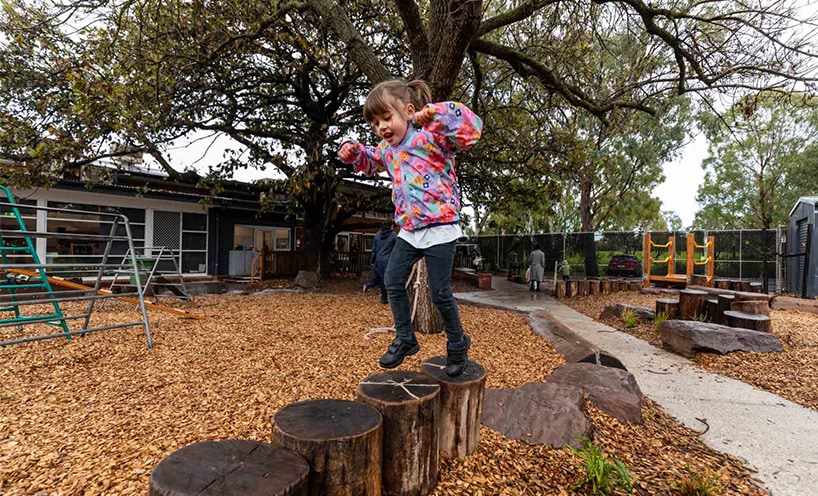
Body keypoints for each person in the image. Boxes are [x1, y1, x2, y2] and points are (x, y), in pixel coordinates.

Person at [338, 79, 482, 377]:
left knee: (440, 292)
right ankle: (405, 338)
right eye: (375, 122)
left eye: (386, 118)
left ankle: (457, 344)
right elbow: (370, 159)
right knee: (392, 281)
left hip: (440, 226)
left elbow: (471, 128)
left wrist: (432, 115)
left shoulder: (432, 137)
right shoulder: (388, 150)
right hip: (410, 230)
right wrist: (352, 152)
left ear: (409, 112)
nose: (381, 127)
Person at [364, 223, 397, 304]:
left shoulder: (377, 235)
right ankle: (385, 298)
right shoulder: (393, 235)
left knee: (378, 279)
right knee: (386, 279)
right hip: (388, 260)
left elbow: (374, 249)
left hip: (378, 260)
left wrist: (372, 260)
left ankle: (369, 286)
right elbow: (396, 249)